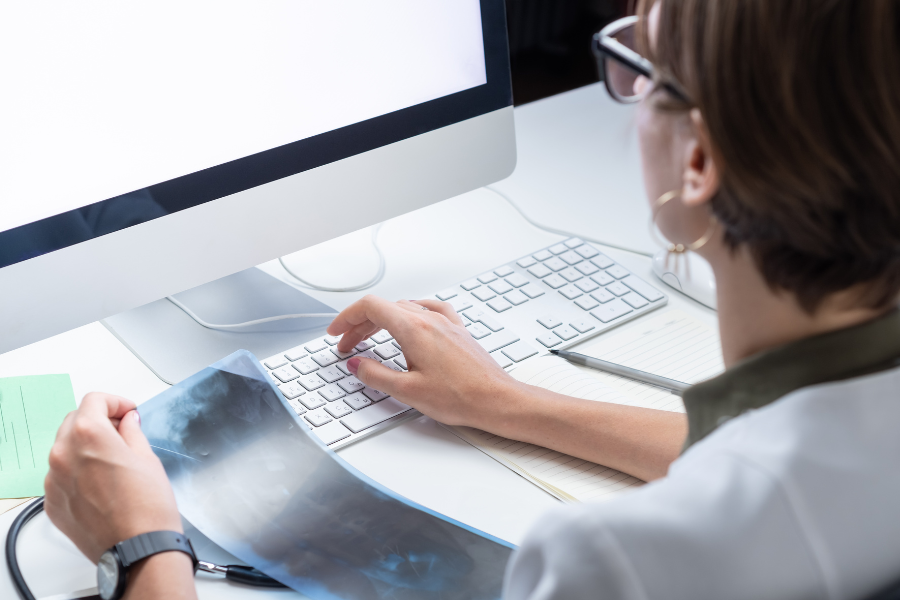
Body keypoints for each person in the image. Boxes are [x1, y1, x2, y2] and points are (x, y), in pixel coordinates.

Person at [44, 0, 900, 598]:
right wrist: (510, 403)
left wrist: (143, 552)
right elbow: (787, 456)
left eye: (641, 69)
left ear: (699, 164)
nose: (629, 91)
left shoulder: (620, 564)